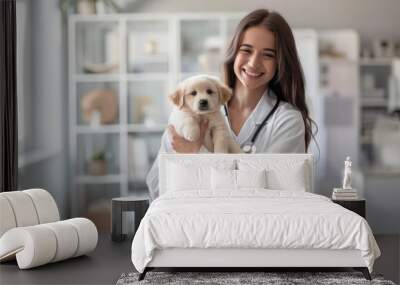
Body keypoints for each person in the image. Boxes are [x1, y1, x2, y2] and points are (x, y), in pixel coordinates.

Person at [146, 9, 317, 200]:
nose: (253, 63)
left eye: (268, 55)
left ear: (280, 62)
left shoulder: (287, 120)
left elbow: (275, 194)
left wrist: (196, 154)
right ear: (234, 52)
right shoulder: (188, 109)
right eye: (246, 50)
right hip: (192, 222)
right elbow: (157, 183)